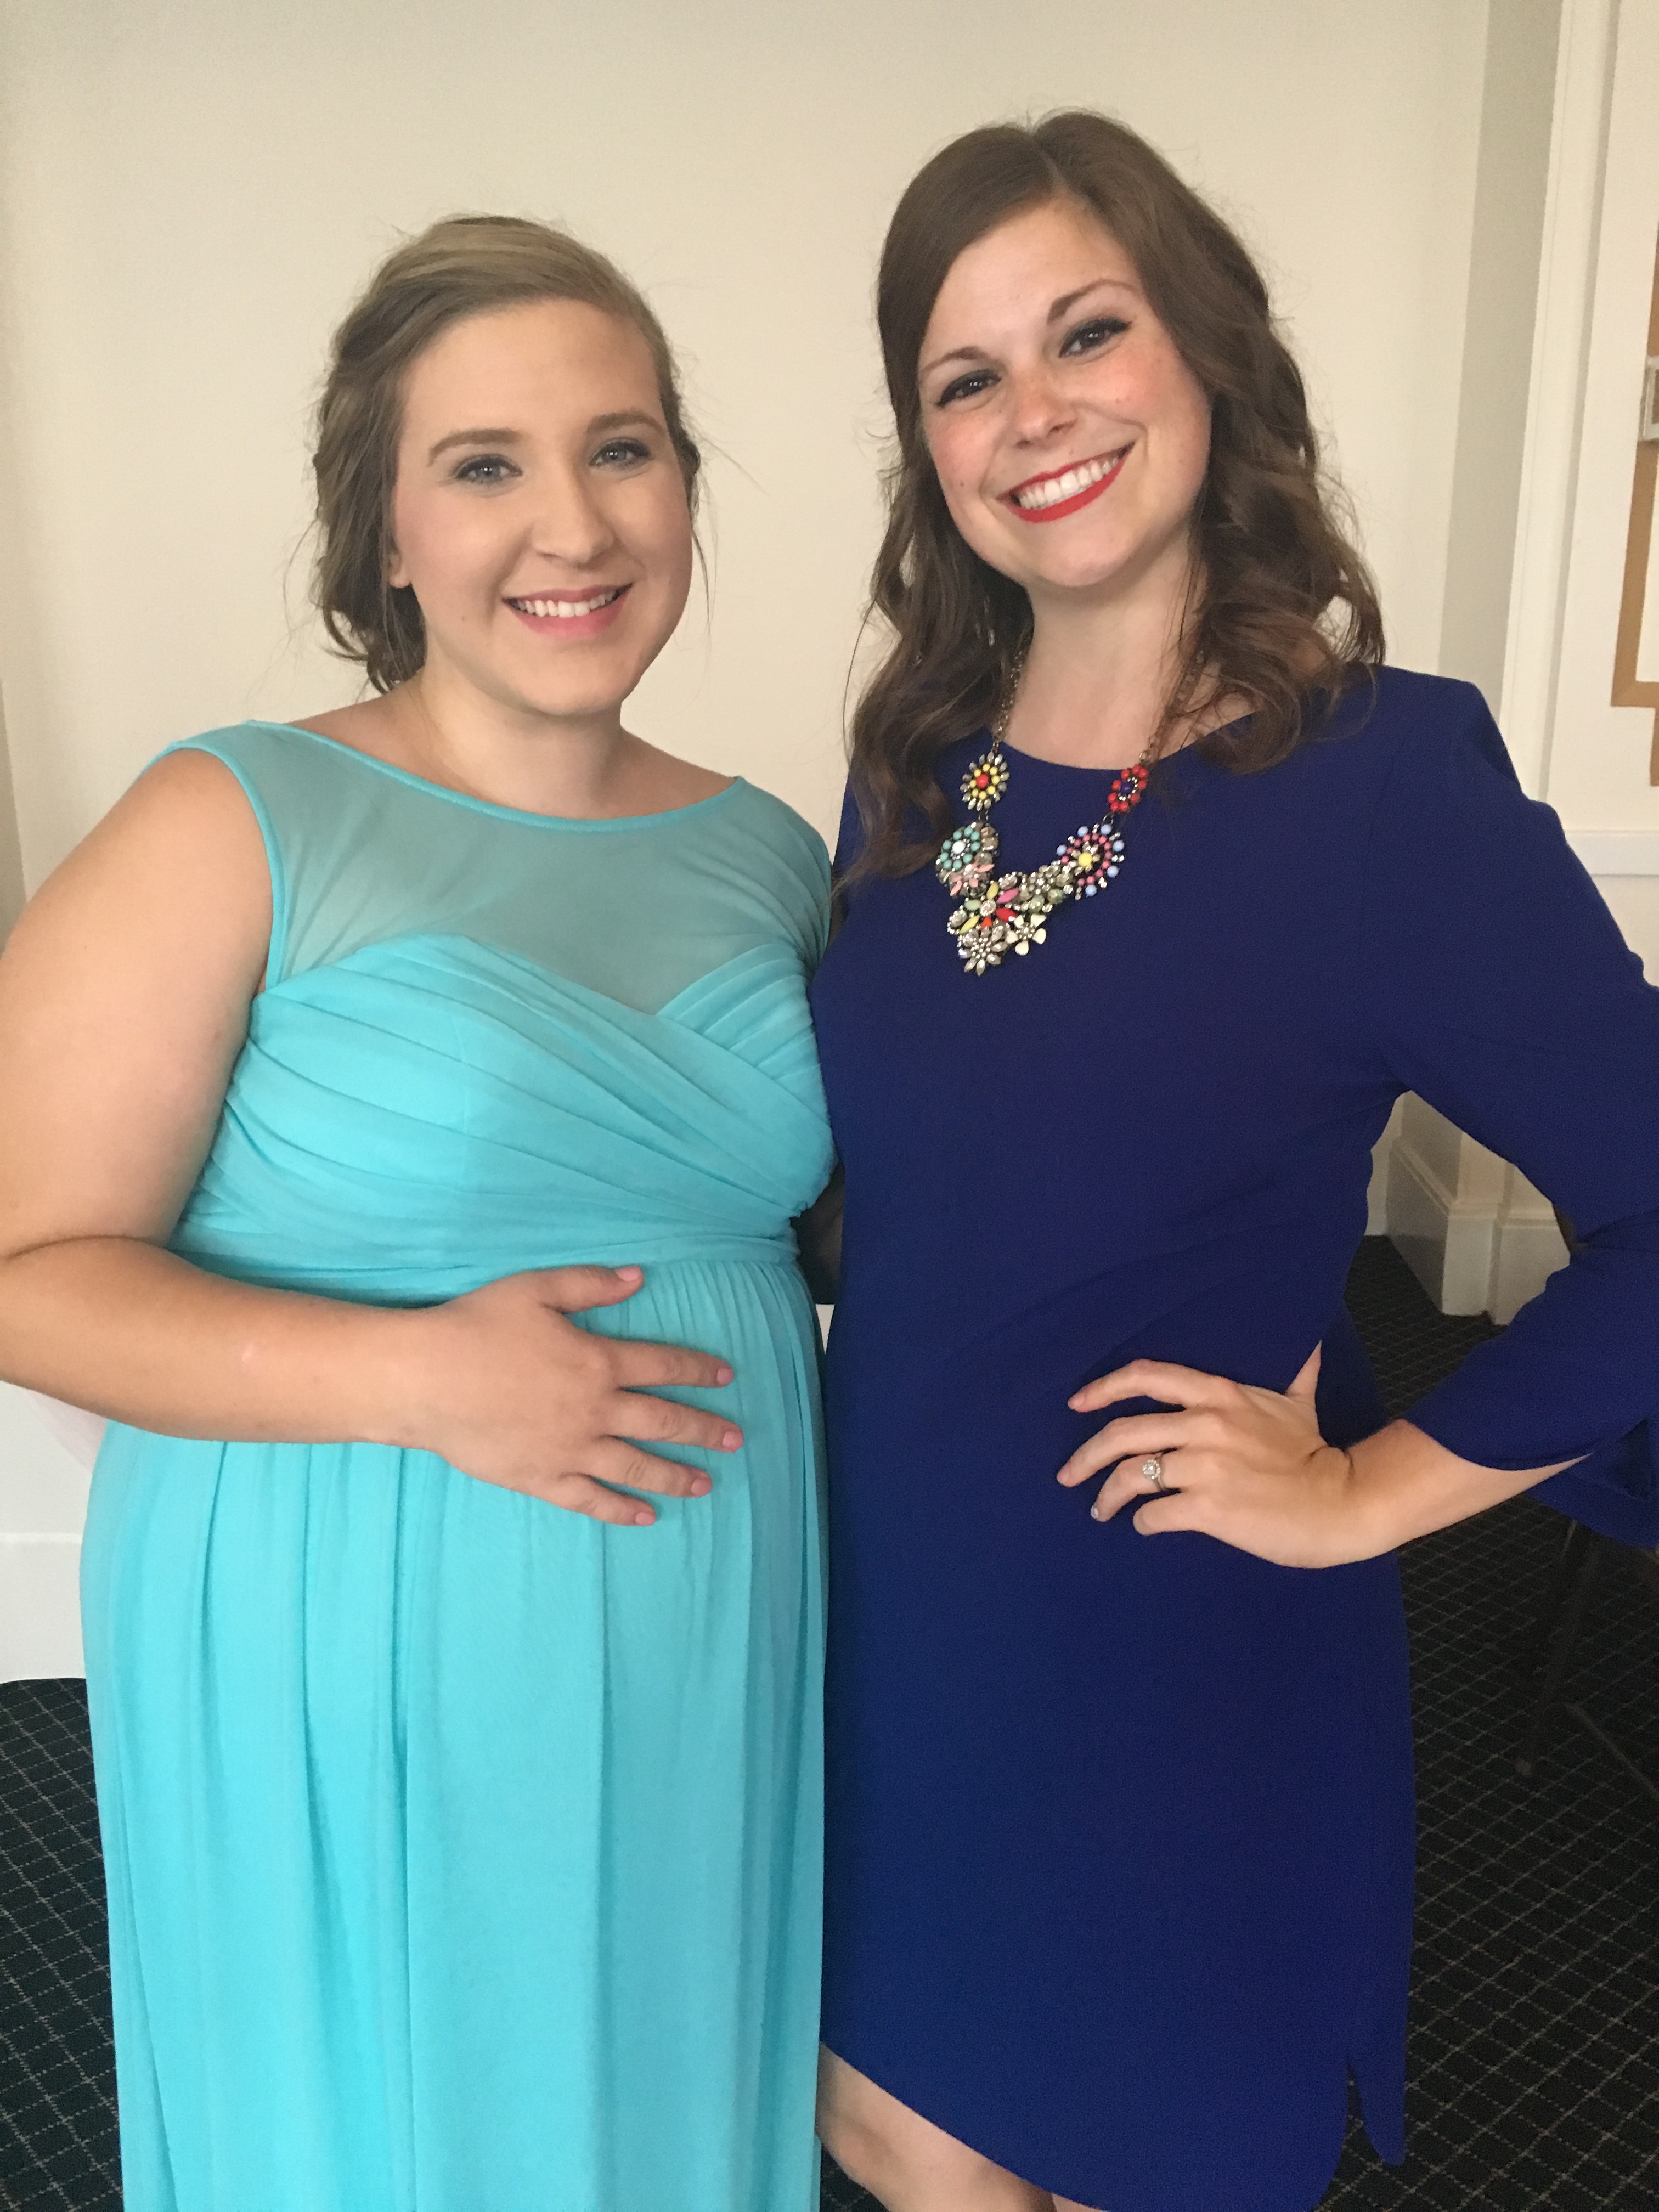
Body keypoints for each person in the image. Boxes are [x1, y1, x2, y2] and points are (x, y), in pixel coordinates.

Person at [807, 113, 1659, 2212]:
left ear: (1206, 349)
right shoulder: (916, 768)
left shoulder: (1382, 781)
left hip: (1168, 1640)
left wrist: (1367, 1492)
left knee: (1132, 2153)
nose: (1035, 412)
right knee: (895, 2131)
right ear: (927, 447)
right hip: (896, 1609)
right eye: (966, 376)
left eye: (1087, 333)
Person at [0, 216, 834, 2212]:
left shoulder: (770, 850)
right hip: (346, 1605)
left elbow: (826, 1226)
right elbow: (23, 1271)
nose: (574, 523)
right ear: (384, 530)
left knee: (663, 2075)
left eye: (623, 448)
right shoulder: (233, 817)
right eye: (484, 465)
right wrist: (420, 1380)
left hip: (715, 1612)